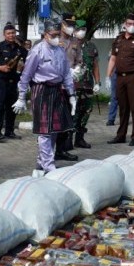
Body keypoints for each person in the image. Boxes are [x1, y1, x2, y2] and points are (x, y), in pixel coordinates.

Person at [12, 19, 76, 176]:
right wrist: (21, 96)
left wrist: (72, 94)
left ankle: (42, 163)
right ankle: (49, 165)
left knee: (54, 129)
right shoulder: (37, 51)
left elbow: (66, 73)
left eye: (57, 35)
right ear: (45, 34)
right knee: (44, 131)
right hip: (41, 90)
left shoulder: (60, 51)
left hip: (57, 90)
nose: (56, 37)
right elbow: (26, 75)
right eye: (52, 35)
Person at [105, 13, 134, 146]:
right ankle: (121, 135)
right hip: (119, 77)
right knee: (123, 107)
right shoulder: (118, 40)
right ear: (125, 24)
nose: (132, 26)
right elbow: (113, 59)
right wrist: (108, 76)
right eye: (129, 24)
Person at [0, 23, 27, 142]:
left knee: (11, 107)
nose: (11, 35)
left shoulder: (19, 48)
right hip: (0, 81)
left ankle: (9, 131)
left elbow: (29, 58)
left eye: (13, 33)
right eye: (9, 33)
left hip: (13, 81)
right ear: (4, 35)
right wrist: (0, 68)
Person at [72, 20, 100, 148]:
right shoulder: (69, 45)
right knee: (73, 113)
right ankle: (67, 140)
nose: (81, 31)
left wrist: (98, 82)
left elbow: (95, 65)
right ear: (74, 30)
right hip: (73, 86)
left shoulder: (91, 46)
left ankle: (79, 138)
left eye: (83, 28)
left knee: (86, 112)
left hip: (88, 85)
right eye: (78, 29)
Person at [56, 13, 79, 160]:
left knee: (68, 120)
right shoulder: (54, 40)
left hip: (70, 86)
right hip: (57, 86)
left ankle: (61, 149)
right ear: (62, 24)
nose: (71, 28)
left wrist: (77, 69)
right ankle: (48, 151)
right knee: (56, 119)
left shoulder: (75, 42)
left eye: (72, 25)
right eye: (68, 24)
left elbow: (79, 60)